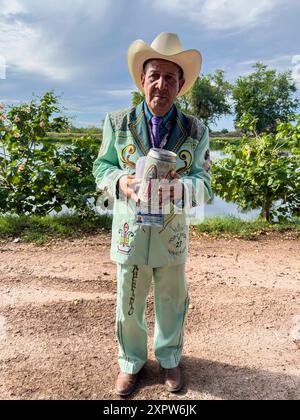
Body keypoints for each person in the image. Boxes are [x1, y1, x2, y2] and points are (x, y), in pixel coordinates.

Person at [93, 32, 212, 396]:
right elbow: (101, 168)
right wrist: (121, 182)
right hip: (130, 230)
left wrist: (180, 188)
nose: (161, 85)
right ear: (142, 80)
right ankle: (130, 362)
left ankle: (170, 358)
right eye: (154, 76)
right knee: (128, 301)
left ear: (181, 85)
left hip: (172, 232)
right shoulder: (117, 123)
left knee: (173, 299)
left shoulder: (196, 130)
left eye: (170, 78)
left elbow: (204, 183)